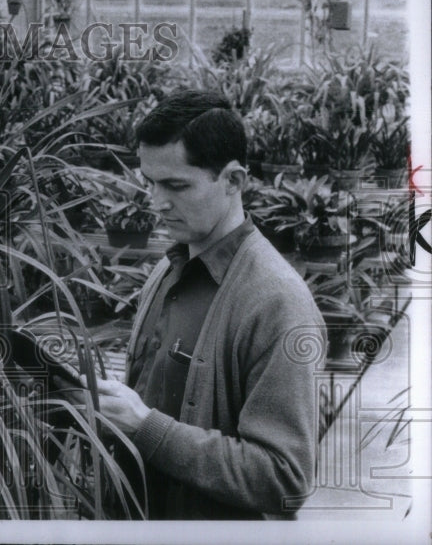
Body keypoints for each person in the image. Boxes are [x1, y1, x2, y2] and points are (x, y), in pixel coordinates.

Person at [93, 89, 325, 519]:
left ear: (233, 181)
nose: (156, 202)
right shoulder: (169, 269)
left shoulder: (278, 303)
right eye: (150, 182)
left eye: (176, 185)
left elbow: (284, 479)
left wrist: (146, 428)